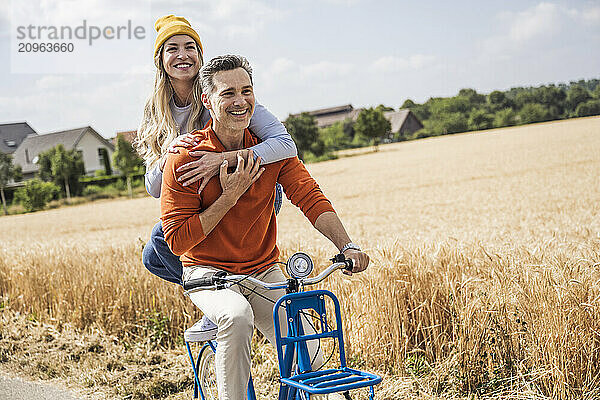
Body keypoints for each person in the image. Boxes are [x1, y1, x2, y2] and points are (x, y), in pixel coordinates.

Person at [161, 54, 369, 400]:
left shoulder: (270, 153)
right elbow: (178, 242)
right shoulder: (187, 159)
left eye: (247, 91)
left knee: (309, 349)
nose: (240, 101)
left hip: (262, 268)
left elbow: (310, 197)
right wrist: (227, 198)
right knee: (236, 316)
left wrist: (347, 246)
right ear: (207, 101)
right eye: (228, 93)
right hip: (207, 273)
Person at [135, 15, 295, 285]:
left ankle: (227, 294)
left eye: (190, 47)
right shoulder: (156, 110)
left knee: (163, 241)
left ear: (200, 54)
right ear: (160, 60)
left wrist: (222, 159)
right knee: (154, 252)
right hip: (202, 197)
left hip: (251, 190)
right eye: (172, 48)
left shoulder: (225, 92)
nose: (183, 55)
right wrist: (168, 158)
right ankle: (219, 292)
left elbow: (285, 145)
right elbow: (153, 188)